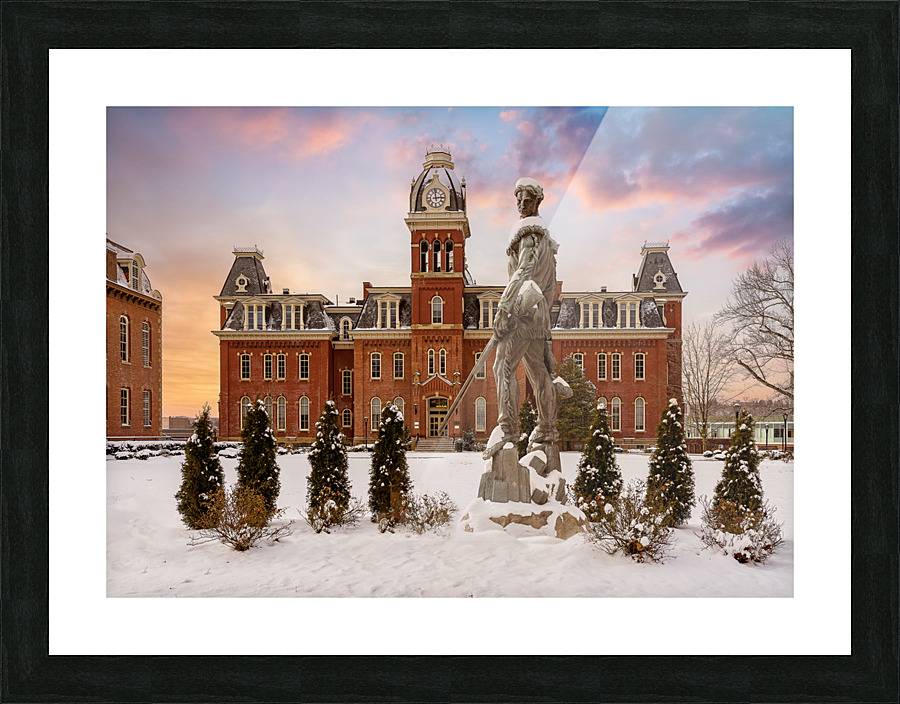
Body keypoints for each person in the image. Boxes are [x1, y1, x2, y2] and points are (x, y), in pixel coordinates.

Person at [490, 177, 568, 456]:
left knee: (502, 367)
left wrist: (504, 307)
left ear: (538, 202)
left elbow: (523, 271)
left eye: (528, 199)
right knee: (538, 372)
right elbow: (549, 287)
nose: (522, 204)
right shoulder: (546, 240)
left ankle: (507, 429)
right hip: (539, 312)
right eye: (519, 199)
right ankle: (547, 429)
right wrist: (543, 320)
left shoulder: (528, 235)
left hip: (522, 310)